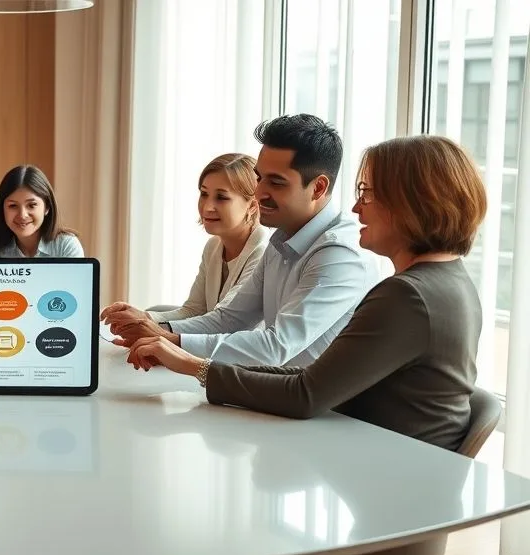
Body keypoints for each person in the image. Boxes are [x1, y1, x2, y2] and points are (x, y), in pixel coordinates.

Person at [125, 135, 486, 453]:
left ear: (413, 204)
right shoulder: (446, 281)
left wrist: (192, 364)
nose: (358, 207)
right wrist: (176, 346)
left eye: (369, 195)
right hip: (370, 458)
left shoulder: (406, 296)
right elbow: (311, 379)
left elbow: (305, 393)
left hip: (385, 478)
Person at [104, 114, 376, 367]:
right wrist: (156, 331)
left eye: (276, 182)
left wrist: (171, 341)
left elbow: (276, 346)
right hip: (275, 399)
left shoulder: (340, 253)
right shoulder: (281, 238)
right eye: (260, 178)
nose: (258, 193)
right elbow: (230, 319)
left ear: (318, 188)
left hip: (328, 414)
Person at [111, 153, 269, 324]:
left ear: (252, 206)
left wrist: (151, 325)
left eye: (221, 198)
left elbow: (224, 321)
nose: (207, 207)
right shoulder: (214, 246)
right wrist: (143, 317)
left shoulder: (263, 252)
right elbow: (194, 310)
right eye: (204, 193)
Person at [0, 164, 83, 258]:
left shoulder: (66, 245)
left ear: (47, 207)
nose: (22, 215)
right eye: (13, 206)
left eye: (31, 205)